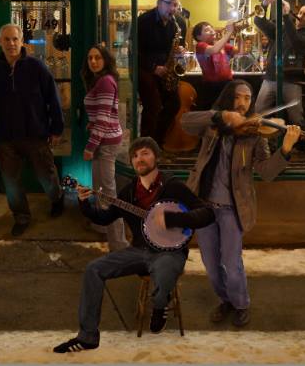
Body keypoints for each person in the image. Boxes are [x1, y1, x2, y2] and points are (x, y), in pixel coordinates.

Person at [52, 138, 216, 354]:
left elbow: (208, 213)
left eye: (145, 153)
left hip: (170, 252)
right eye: (135, 156)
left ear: (156, 157)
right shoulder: (128, 193)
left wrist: (171, 219)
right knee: (93, 269)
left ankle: (160, 304)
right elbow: (104, 218)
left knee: (164, 271)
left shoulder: (173, 186)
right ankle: (88, 336)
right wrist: (84, 202)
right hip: (138, 251)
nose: (140, 158)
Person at [191, 78, 305, 327]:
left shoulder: (254, 135)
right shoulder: (212, 126)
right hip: (204, 206)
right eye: (237, 97)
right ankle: (226, 300)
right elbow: (186, 122)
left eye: (247, 98)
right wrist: (222, 116)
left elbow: (266, 172)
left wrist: (285, 150)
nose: (242, 103)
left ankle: (240, 303)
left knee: (232, 264)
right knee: (210, 264)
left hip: (232, 208)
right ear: (227, 98)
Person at [0, 23, 66, 237]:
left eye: (15, 39)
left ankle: (57, 198)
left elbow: (53, 98)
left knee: (47, 175)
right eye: (7, 39)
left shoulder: (37, 67)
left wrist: (56, 128)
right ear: (0, 42)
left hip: (36, 135)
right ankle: (21, 217)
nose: (11, 43)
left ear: (22, 41)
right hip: (8, 138)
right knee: (11, 182)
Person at [80, 44, 128, 252]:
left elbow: (103, 119)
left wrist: (90, 147)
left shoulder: (106, 82)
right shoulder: (101, 80)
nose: (93, 61)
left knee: (108, 192)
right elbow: (104, 115)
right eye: (90, 58)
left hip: (105, 143)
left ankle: (119, 243)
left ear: (106, 60)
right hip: (104, 138)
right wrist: (92, 125)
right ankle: (102, 225)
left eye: (97, 58)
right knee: (100, 187)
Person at [253, 0, 305, 126]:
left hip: (291, 81)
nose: (301, 16)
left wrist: (286, 16)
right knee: (258, 113)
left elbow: (296, 41)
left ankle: (299, 139)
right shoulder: (284, 29)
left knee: (296, 118)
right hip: (271, 78)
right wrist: (265, 4)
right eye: (300, 12)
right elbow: (259, 21)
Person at [135, 0, 183, 144]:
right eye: (169, 4)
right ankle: (145, 144)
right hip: (145, 70)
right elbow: (134, 52)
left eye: (175, 5)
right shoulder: (143, 21)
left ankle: (157, 141)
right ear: (159, 2)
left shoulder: (175, 24)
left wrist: (179, 51)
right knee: (153, 106)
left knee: (174, 104)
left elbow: (171, 48)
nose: (172, 9)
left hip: (165, 69)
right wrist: (154, 68)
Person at [190, 19, 241, 84]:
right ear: (199, 37)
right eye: (207, 30)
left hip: (228, 82)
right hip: (212, 85)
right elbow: (214, 50)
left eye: (212, 28)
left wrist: (239, 34)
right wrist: (229, 32)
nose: (212, 31)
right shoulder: (200, 45)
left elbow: (240, 52)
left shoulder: (220, 45)